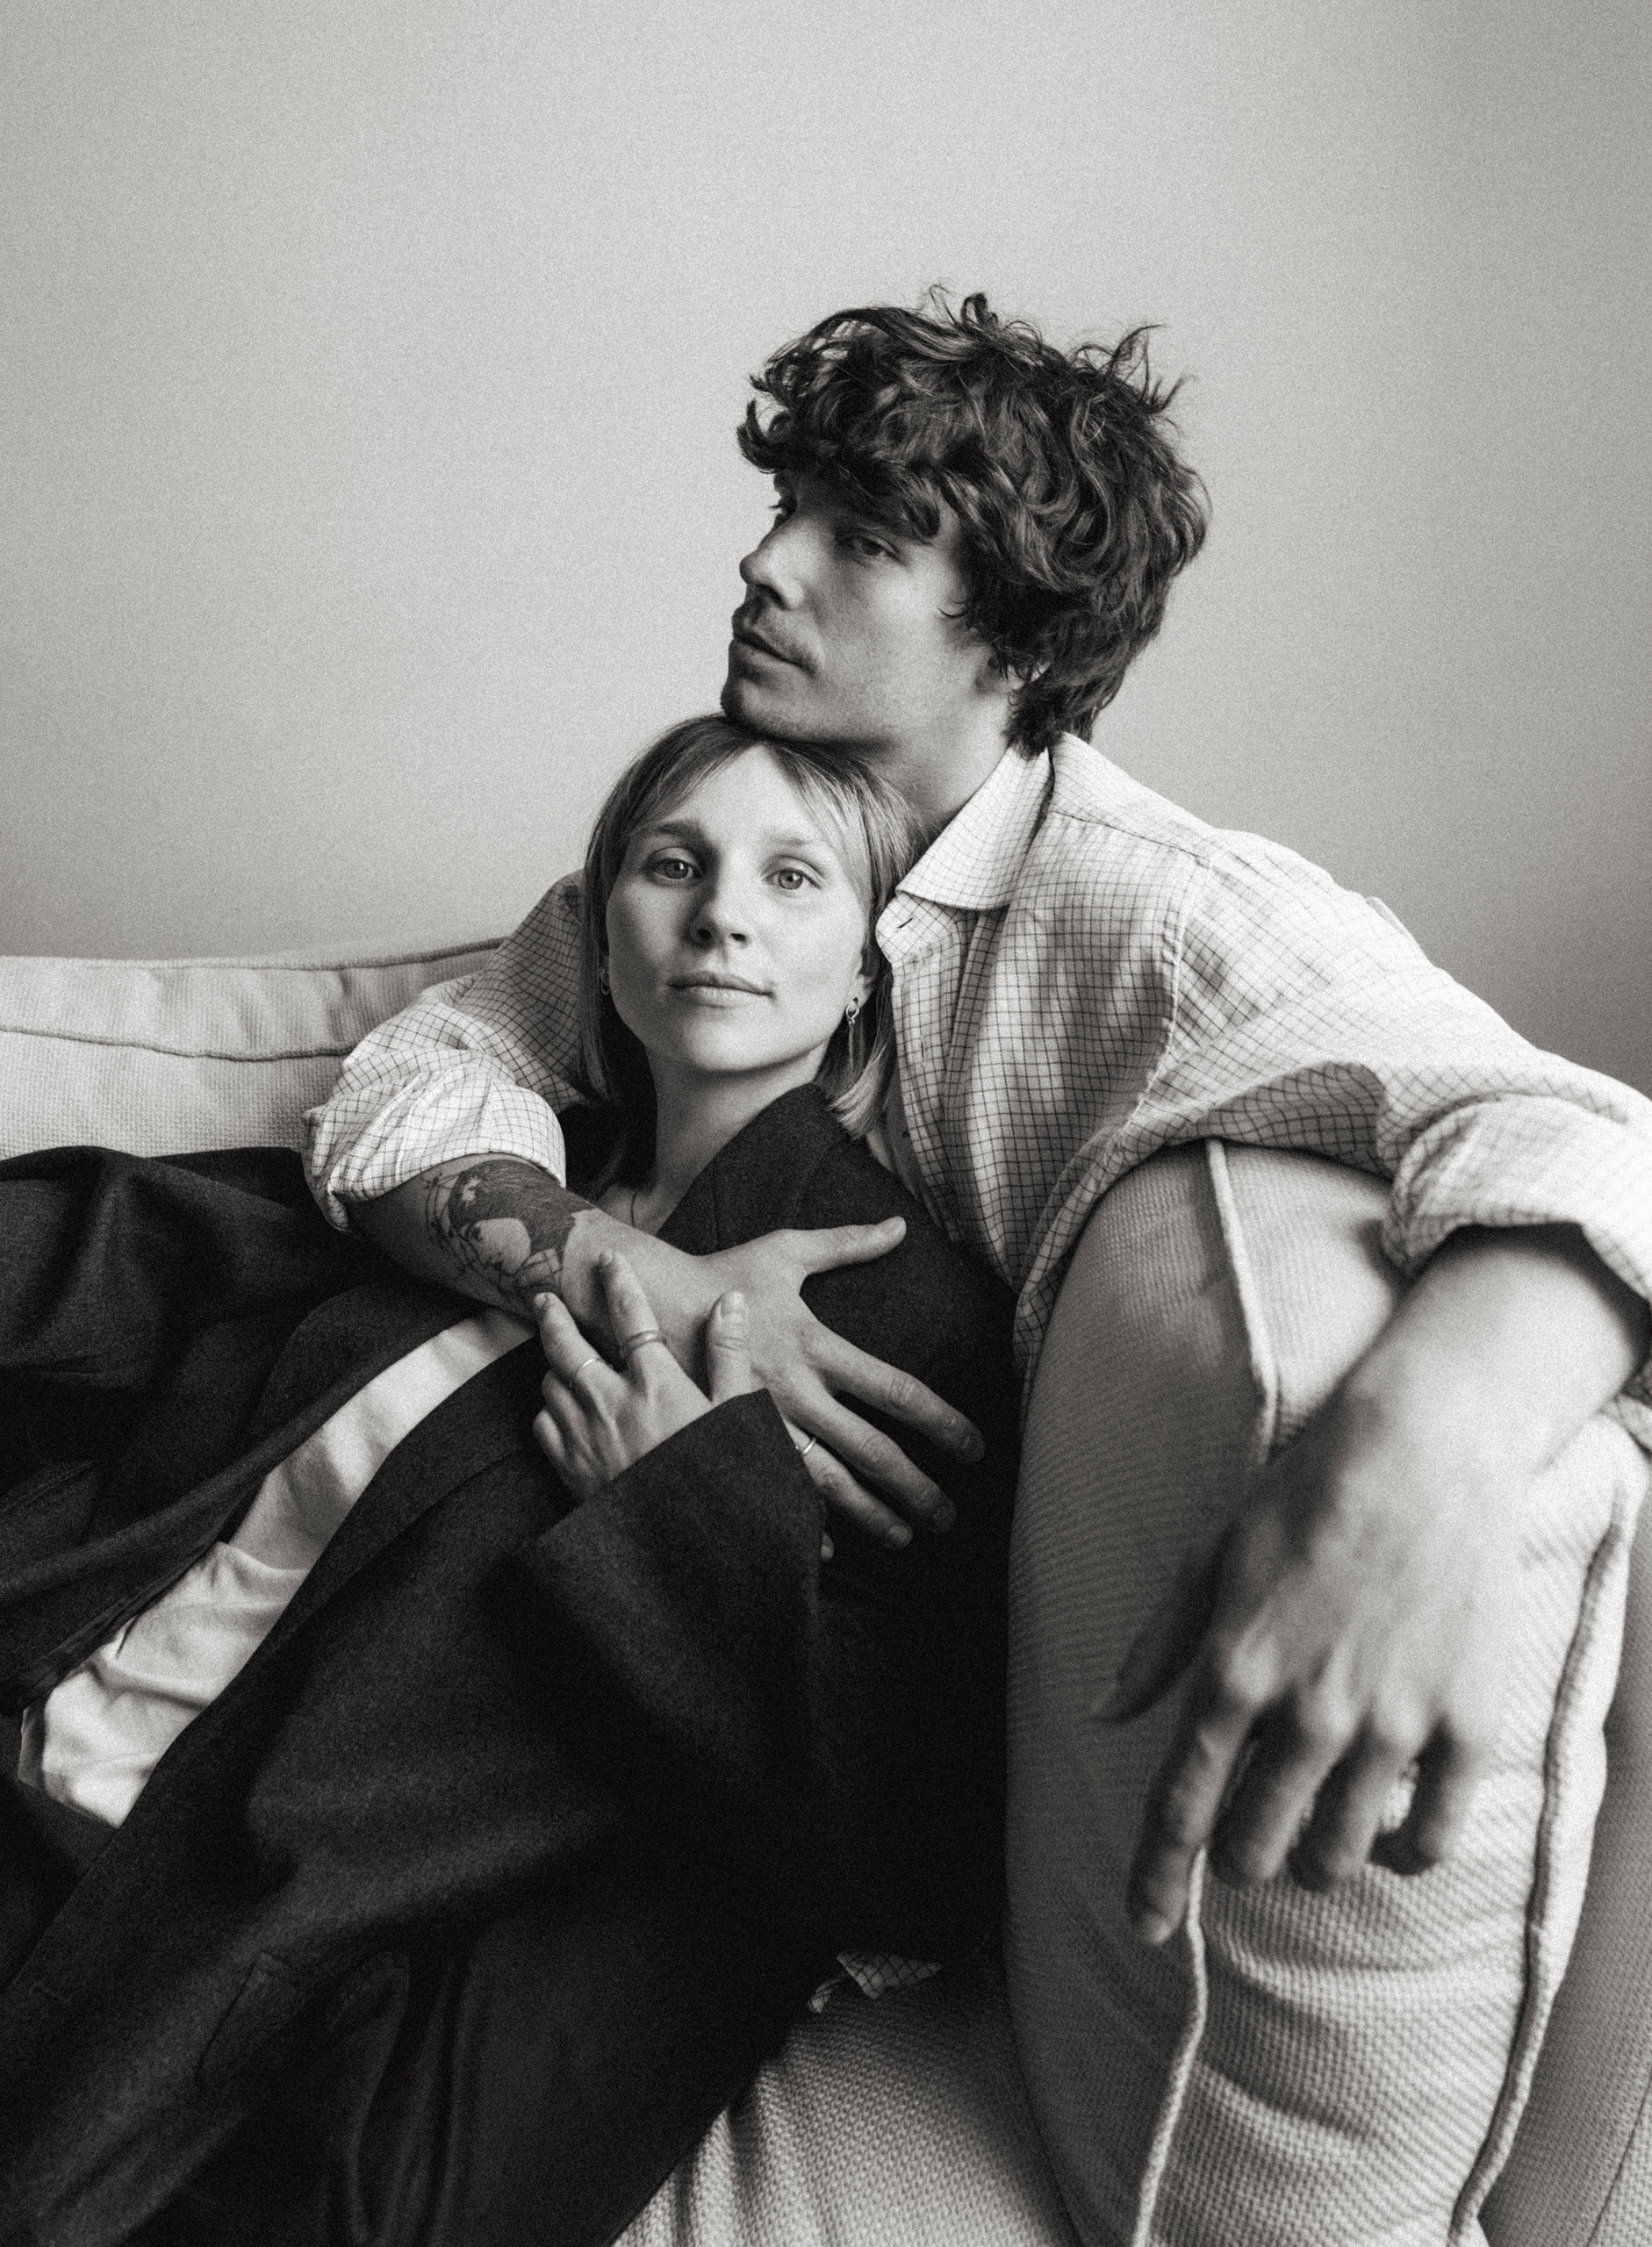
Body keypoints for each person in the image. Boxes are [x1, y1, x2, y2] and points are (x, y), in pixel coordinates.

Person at [306, 291, 1652, 1959]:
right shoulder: (739, 836)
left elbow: (1603, 1145)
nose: (764, 565)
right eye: (785, 511)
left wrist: (1411, 1467)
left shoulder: (1154, 913)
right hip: (662, 1613)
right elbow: (400, 1093)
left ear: (1019, 645)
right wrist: (641, 1277)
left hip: (904, 1706)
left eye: (859, 540)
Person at [0, 718, 1016, 2244]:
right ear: (599, 938)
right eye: (673, 864)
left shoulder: (887, 1317)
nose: (722, 915)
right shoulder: (483, 1180)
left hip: (207, 1934)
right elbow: (136, 1262)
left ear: (867, 966)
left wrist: (678, 1503)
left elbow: (911, 1843)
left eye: (793, 877)